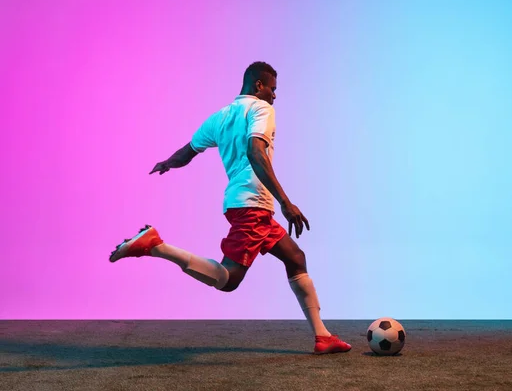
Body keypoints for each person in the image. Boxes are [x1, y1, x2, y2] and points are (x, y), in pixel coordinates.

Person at [109, 61, 351, 355]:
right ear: (258, 86)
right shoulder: (262, 110)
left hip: (246, 205)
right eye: (273, 89)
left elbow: (188, 151)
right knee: (227, 280)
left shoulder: (220, 117)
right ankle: (156, 246)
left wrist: (167, 164)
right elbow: (255, 150)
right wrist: (286, 203)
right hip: (253, 205)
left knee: (295, 257)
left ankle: (322, 337)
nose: (275, 96)